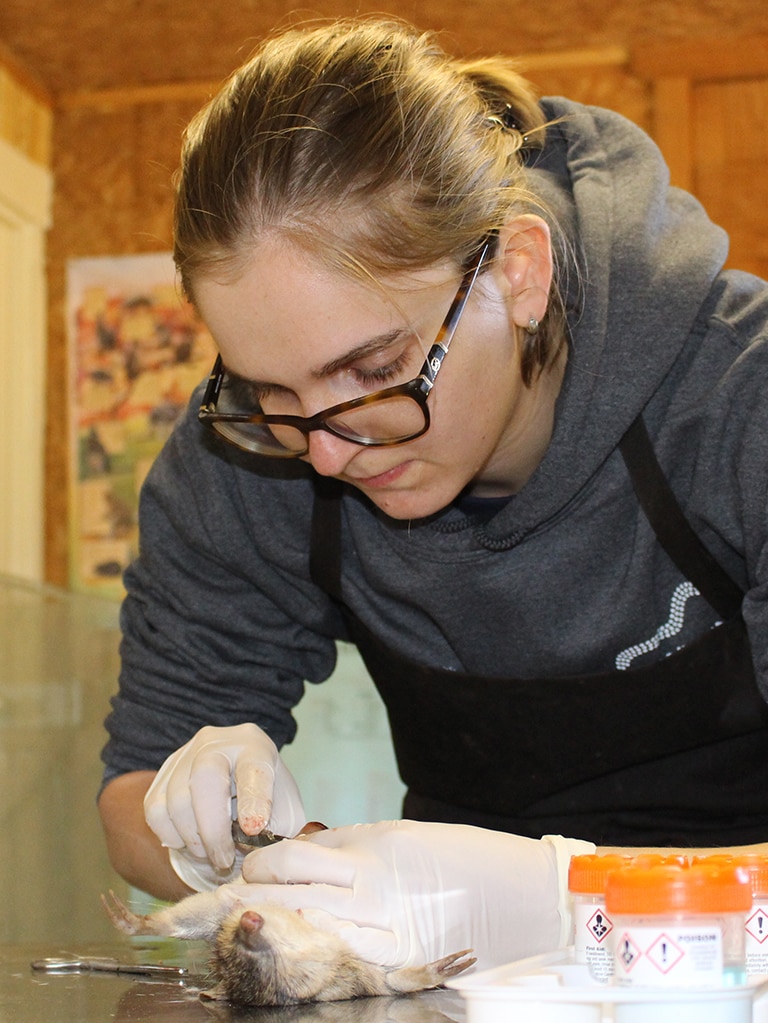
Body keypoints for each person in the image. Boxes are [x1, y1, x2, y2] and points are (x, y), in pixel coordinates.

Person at [98, 16, 768, 971]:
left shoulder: (740, 400)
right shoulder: (251, 451)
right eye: (271, 391)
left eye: (374, 368)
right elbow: (130, 797)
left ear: (519, 274)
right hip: (470, 979)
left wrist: (559, 901)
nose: (324, 452)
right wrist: (207, 840)